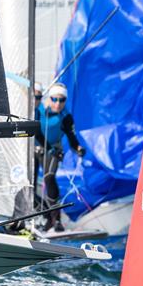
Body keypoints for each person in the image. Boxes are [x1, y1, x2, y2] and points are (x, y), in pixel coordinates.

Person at [35, 83, 85, 232]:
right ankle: (47, 216)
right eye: (55, 99)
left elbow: (71, 137)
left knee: (49, 178)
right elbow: (37, 133)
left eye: (62, 100)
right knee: (28, 187)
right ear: (49, 98)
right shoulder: (38, 111)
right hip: (35, 149)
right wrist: (49, 149)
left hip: (54, 150)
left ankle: (56, 220)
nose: (58, 104)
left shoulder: (66, 116)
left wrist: (78, 149)